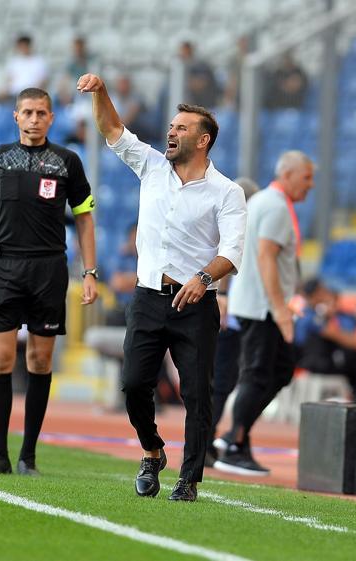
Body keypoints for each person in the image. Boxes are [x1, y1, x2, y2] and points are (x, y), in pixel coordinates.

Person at [78, 72, 247, 501]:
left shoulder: (226, 192)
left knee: (196, 394)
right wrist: (101, 92)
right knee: (134, 384)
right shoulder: (152, 166)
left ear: (203, 140)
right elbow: (112, 130)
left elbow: (233, 251)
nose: (171, 132)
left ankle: (188, 479)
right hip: (149, 297)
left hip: (196, 304)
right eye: (171, 127)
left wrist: (204, 277)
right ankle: (152, 450)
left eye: (181, 128)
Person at [0, 88, 98, 477]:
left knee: (40, 359)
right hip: (4, 268)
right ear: (16, 117)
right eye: (27, 112)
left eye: (41, 113)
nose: (34, 119)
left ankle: (28, 455)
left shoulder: (67, 162)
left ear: (52, 119)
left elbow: (84, 218)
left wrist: (89, 272)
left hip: (49, 270)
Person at [213, 151, 314, 477]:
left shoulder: (263, 203)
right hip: (263, 308)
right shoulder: (274, 206)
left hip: (257, 304)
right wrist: (280, 310)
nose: (310, 185)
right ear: (287, 174)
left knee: (278, 371)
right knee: (259, 374)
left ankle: (234, 437)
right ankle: (234, 442)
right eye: (306, 177)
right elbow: (266, 257)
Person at [206, 176, 259, 468]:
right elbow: (225, 256)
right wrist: (223, 294)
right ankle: (204, 441)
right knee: (221, 381)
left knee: (220, 380)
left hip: (229, 311)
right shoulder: (236, 223)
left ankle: (207, 439)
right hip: (231, 313)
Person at [293, 279, 356, 404]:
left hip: (307, 362)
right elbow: (338, 336)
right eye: (323, 291)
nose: (326, 294)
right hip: (314, 364)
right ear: (316, 293)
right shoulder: (312, 316)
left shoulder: (306, 312)